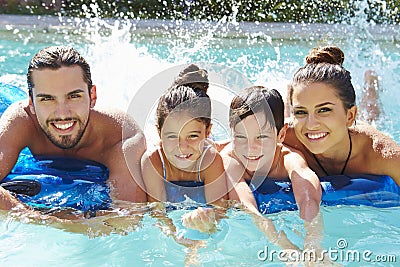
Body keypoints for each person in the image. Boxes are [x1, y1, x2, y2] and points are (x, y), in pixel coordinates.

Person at [0, 45, 147, 208]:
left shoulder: (122, 137)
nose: (62, 113)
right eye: (47, 99)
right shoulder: (21, 120)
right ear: (31, 103)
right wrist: (31, 215)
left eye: (73, 96)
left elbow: (128, 216)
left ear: (92, 96)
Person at [218, 86, 321, 251]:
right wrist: (283, 244)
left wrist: (313, 244)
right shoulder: (229, 158)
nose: (251, 148)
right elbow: (245, 203)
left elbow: (308, 197)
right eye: (241, 136)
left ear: (280, 136)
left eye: (262, 137)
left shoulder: (287, 157)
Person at [284, 45, 400, 186]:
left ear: (350, 116)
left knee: (371, 116)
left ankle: (370, 82)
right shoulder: (284, 136)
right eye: (300, 112)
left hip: (359, 132)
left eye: (324, 110)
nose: (311, 125)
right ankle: (291, 92)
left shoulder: (380, 154)